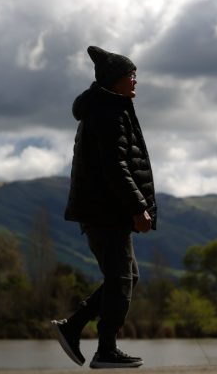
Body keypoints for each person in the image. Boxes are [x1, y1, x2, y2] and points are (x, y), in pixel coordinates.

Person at [52, 46, 157, 369]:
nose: (135, 79)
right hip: (105, 211)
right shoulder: (107, 112)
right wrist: (138, 207)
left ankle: (73, 326)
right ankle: (106, 351)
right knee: (122, 279)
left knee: (126, 277)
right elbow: (116, 166)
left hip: (105, 210)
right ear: (114, 79)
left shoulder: (111, 106)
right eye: (130, 74)